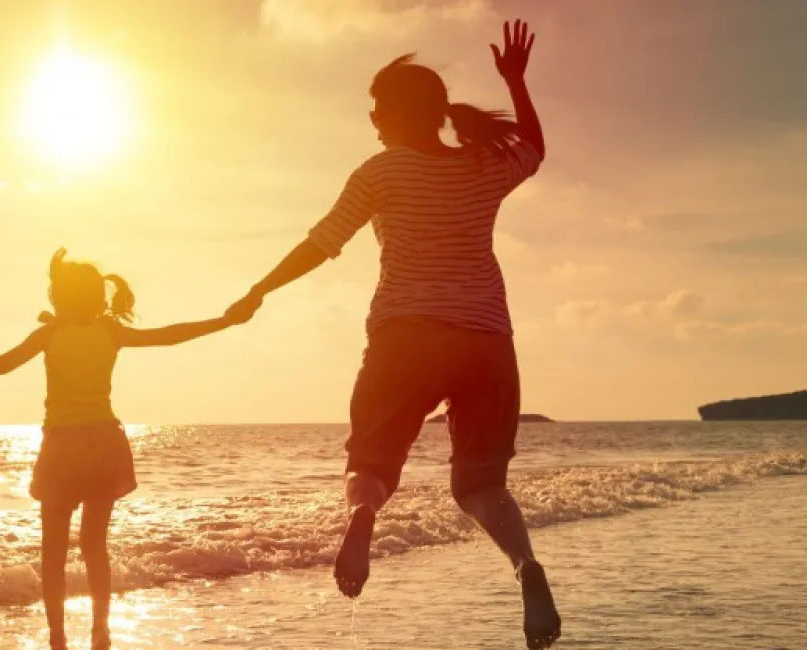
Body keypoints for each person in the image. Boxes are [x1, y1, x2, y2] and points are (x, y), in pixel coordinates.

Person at [226, 20, 561, 650]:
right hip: (486, 343)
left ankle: (362, 518)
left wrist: (260, 289)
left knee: (370, 464)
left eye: (377, 111)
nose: (373, 122)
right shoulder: (484, 165)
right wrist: (516, 83)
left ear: (401, 115)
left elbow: (321, 244)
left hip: (405, 337)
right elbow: (536, 149)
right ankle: (526, 566)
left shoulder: (380, 172)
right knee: (482, 486)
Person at [0, 249, 242, 650]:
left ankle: (57, 637)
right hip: (105, 443)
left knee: (53, 551)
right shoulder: (110, 332)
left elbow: (2, 364)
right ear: (95, 297)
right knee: (95, 545)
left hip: (63, 446)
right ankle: (100, 630)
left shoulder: (50, 334)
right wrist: (224, 321)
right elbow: (169, 335)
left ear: (59, 297)